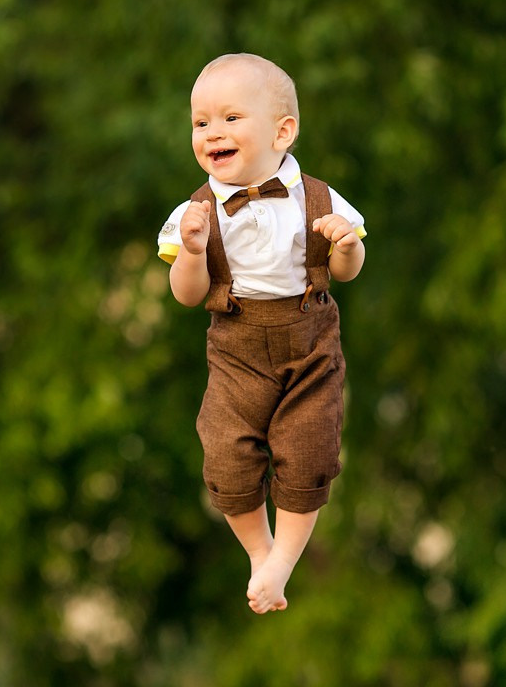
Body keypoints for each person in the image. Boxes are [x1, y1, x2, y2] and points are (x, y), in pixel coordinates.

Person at [157, 53, 367, 613]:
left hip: (309, 339)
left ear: (282, 132)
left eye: (230, 118)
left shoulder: (317, 198)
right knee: (226, 452)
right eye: (201, 122)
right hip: (237, 347)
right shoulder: (195, 213)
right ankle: (260, 553)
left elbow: (345, 272)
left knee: (309, 446)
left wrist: (347, 245)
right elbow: (187, 295)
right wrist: (192, 252)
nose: (212, 132)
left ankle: (284, 562)